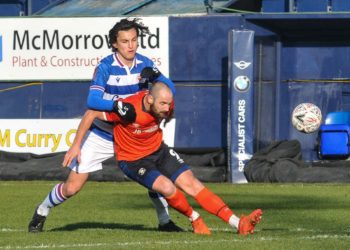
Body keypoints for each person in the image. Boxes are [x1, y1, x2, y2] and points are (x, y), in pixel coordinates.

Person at [28, 18, 181, 233]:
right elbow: (92, 102)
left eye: (134, 40)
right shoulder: (106, 67)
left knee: (154, 178)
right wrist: (116, 106)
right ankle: (43, 209)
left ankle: (165, 222)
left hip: (133, 135)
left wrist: (158, 76)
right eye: (125, 41)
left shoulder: (145, 63)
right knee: (72, 187)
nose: (131, 46)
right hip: (103, 135)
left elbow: (170, 89)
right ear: (114, 44)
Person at [72, 81, 263, 235]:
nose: (167, 108)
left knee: (192, 183)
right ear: (149, 99)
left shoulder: (165, 106)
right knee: (167, 187)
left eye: (169, 104)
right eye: (162, 104)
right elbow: (91, 113)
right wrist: (76, 146)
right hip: (133, 160)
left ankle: (239, 223)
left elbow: (163, 94)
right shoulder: (128, 109)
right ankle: (194, 218)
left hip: (158, 151)